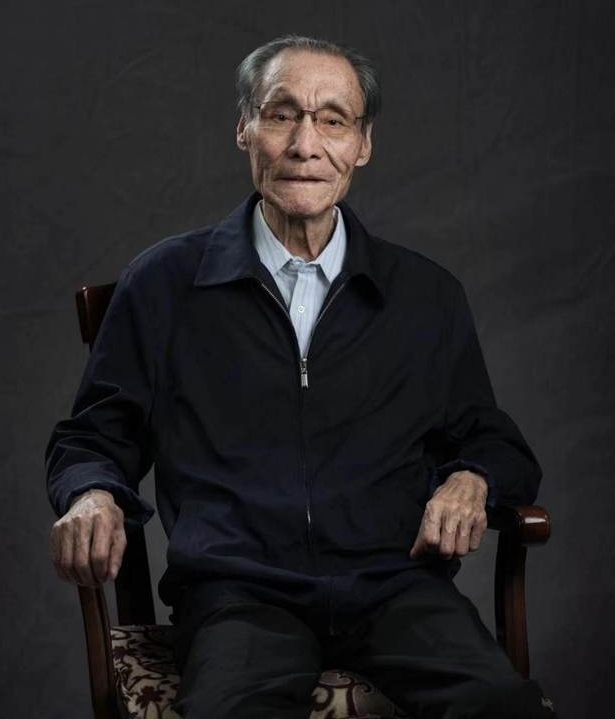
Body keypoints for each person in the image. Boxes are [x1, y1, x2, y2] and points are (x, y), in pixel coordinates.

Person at [47, 35, 553, 719]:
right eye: (281, 115)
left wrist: (473, 477)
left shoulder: (426, 295)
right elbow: (93, 436)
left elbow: (492, 438)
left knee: (504, 708)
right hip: (238, 595)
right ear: (244, 128)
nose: (305, 144)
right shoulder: (164, 283)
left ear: (362, 144)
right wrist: (91, 495)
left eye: (333, 120)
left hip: (399, 587)